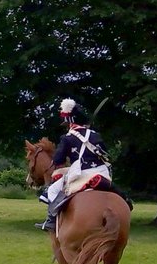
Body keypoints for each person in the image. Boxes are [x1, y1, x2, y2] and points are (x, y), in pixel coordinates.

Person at [36, 98, 131, 231]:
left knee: (52, 190)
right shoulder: (95, 135)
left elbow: (58, 160)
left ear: (70, 122)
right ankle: (126, 201)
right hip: (101, 171)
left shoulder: (68, 138)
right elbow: (105, 154)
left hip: (82, 174)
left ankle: (51, 221)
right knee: (114, 189)